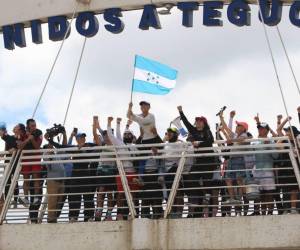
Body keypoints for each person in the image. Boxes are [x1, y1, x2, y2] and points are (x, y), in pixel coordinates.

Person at [177, 106, 216, 218]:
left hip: (208, 160)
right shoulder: (193, 131)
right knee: (191, 177)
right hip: (199, 160)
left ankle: (206, 198)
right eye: (197, 121)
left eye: (200, 121)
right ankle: (196, 198)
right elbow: (186, 123)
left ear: (204, 123)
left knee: (207, 180)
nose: (198, 123)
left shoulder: (207, 131)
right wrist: (181, 111)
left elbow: (210, 141)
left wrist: (199, 143)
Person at [107, 117, 140, 220]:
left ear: (132, 136)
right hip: (121, 173)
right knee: (121, 194)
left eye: (129, 134)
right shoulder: (119, 144)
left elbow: (137, 158)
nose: (127, 135)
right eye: (125, 134)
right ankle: (120, 213)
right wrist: (111, 123)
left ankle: (132, 213)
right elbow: (111, 135)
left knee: (133, 194)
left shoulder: (135, 146)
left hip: (132, 172)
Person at [127, 101, 163, 178]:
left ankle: (160, 176)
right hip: (144, 140)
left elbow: (144, 121)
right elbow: (128, 116)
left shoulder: (151, 116)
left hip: (154, 139)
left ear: (149, 107)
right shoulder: (139, 116)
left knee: (158, 158)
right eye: (141, 105)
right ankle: (140, 177)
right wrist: (130, 107)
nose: (142, 106)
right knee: (142, 160)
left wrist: (133, 116)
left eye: (145, 105)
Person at [219, 111, 248, 205]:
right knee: (228, 179)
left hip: (239, 159)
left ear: (244, 128)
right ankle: (232, 198)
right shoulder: (235, 135)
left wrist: (231, 139)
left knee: (239, 180)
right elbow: (226, 128)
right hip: (232, 159)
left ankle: (239, 199)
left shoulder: (245, 135)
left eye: (239, 125)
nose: (236, 126)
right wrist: (221, 118)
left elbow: (242, 140)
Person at [93, 117, 117, 221]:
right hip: (102, 171)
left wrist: (109, 123)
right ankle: (99, 210)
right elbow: (97, 132)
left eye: (108, 135)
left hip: (111, 171)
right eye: (105, 135)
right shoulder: (103, 144)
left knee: (110, 193)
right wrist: (95, 122)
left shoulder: (115, 146)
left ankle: (109, 213)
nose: (106, 137)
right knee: (101, 191)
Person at [252, 121, 278, 215]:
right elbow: (250, 156)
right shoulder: (254, 142)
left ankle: (270, 212)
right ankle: (262, 212)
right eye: (259, 128)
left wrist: (269, 146)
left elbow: (276, 156)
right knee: (259, 192)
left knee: (269, 192)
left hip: (267, 170)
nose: (260, 130)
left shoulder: (271, 141)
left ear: (267, 130)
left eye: (262, 128)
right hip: (257, 170)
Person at [277, 116, 300, 214]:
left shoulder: (297, 142)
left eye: (288, 131)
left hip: (296, 167)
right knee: (286, 189)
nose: (286, 133)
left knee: (294, 189)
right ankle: (287, 209)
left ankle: (293, 208)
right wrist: (286, 120)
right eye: (286, 131)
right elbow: (278, 145)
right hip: (286, 168)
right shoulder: (285, 141)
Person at [17, 119, 43, 205]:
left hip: (35, 157)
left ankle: (36, 198)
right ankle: (26, 198)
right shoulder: (23, 133)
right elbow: (19, 146)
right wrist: (27, 139)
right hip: (26, 158)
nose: (34, 127)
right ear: (28, 126)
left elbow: (37, 147)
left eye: (35, 125)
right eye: (32, 126)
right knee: (26, 179)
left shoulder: (39, 132)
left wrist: (31, 139)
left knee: (36, 178)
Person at [0, 122, 19, 208]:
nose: (14, 128)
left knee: (15, 180)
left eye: (16, 127)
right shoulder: (9, 137)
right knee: (7, 181)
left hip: (15, 161)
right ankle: (8, 199)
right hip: (8, 161)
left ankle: (15, 200)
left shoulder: (21, 138)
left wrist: (15, 148)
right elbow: (3, 136)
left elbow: (22, 146)